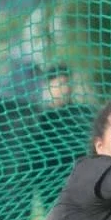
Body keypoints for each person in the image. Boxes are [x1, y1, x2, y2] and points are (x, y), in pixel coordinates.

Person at [35, 66, 94, 210]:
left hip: (79, 177)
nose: (65, 89)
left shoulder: (82, 113)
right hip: (51, 179)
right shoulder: (41, 117)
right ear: (49, 86)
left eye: (67, 83)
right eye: (60, 84)